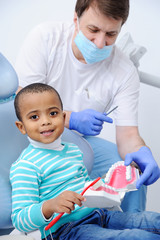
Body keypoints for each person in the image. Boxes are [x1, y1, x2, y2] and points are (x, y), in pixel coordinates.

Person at [15, 0, 160, 212]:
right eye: (93, 30)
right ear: (76, 18)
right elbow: (20, 100)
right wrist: (69, 119)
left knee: (130, 170)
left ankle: (133, 226)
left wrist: (142, 151)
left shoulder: (124, 71)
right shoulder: (46, 38)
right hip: (36, 137)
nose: (100, 43)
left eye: (111, 34)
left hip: (81, 144)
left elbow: (128, 136)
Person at [10, 83, 160, 240]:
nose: (45, 121)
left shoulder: (73, 150)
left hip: (100, 214)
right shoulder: (25, 166)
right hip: (66, 229)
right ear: (21, 127)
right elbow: (20, 220)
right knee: (138, 237)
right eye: (34, 117)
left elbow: (85, 187)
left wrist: (110, 181)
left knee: (154, 221)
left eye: (53, 113)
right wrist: (50, 205)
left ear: (62, 117)